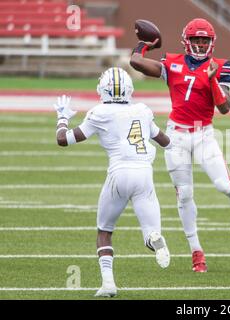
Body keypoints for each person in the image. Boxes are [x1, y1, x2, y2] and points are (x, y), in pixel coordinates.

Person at [129, 18, 230, 272]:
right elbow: (136, 62)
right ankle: (196, 252)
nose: (199, 44)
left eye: (204, 40)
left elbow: (225, 107)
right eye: (195, 39)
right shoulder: (172, 62)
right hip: (176, 136)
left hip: (203, 134)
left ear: (211, 42)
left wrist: (213, 80)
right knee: (184, 195)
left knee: (225, 186)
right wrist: (144, 44)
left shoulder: (221, 66)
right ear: (187, 40)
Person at [54, 67, 171, 297]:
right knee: (150, 232)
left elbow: (63, 140)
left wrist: (63, 117)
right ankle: (154, 239)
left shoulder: (99, 113)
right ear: (129, 89)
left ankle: (108, 283)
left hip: (119, 174)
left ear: (103, 89)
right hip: (144, 174)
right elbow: (165, 141)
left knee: (104, 231)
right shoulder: (143, 110)